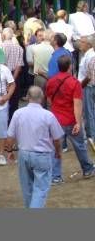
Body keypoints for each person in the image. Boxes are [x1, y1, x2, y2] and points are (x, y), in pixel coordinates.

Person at [6, 86, 64, 208]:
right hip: (42, 155)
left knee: (27, 188)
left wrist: (10, 150)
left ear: (27, 97)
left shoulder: (18, 113)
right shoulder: (48, 115)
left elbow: (10, 136)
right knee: (40, 189)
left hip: (24, 154)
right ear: (42, 98)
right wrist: (58, 152)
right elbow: (57, 138)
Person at [46, 55, 95, 183]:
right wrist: (78, 122)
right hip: (70, 120)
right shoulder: (74, 83)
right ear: (70, 66)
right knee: (80, 146)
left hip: (56, 120)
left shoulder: (51, 81)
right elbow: (77, 104)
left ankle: (55, 177)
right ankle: (87, 169)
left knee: (56, 148)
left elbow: (49, 100)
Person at [1, 28, 24, 119]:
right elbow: (19, 66)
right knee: (14, 101)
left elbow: (1, 64)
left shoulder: (0, 47)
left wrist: (7, 80)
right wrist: (12, 80)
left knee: (3, 100)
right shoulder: (19, 48)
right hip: (15, 75)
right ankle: (12, 121)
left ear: (3, 36)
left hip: (3, 76)